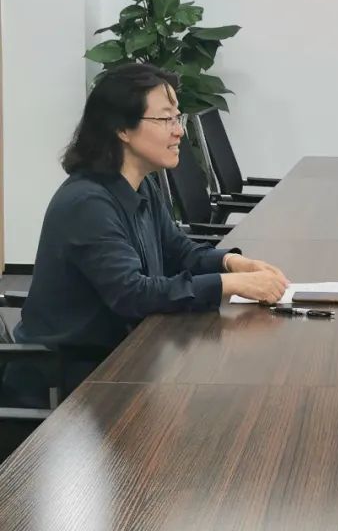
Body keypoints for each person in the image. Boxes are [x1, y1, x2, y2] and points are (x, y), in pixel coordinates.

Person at [2, 64, 289, 406]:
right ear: (122, 128)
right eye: (166, 119)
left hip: (121, 361)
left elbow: (178, 251)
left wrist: (232, 263)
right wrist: (230, 284)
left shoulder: (140, 185)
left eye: (177, 118)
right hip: (70, 386)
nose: (179, 131)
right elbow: (133, 294)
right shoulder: (87, 203)